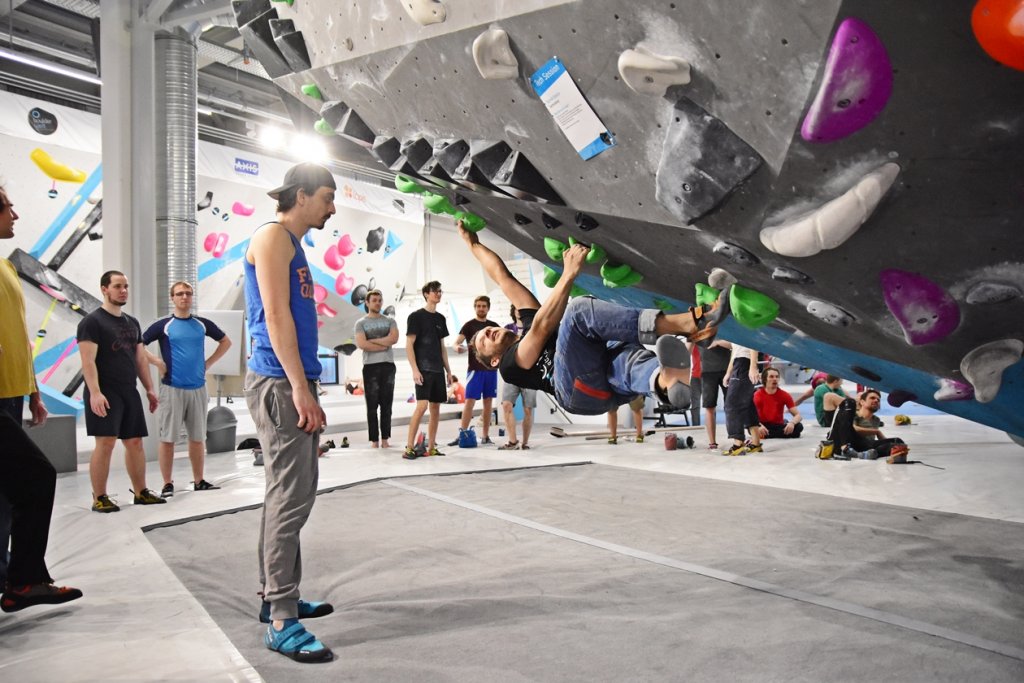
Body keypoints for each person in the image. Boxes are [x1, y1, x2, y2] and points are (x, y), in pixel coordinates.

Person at [458, 221, 728, 417]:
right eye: (484, 340)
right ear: (493, 359)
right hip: (576, 393)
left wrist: (472, 244)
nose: (488, 332)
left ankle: (664, 383)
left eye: (487, 330)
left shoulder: (526, 322)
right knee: (578, 312)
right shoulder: (508, 365)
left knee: (622, 357)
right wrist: (568, 274)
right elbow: (541, 328)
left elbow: (502, 277)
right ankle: (688, 324)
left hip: (603, 386)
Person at [245, 162, 337, 663]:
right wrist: (300, 388)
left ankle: (276, 595)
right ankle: (282, 618)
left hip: (288, 380)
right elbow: (276, 317)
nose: (332, 206)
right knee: (291, 495)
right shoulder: (275, 236)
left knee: (288, 493)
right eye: (326, 196)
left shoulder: (289, 243)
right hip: (281, 382)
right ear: (300, 196)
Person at [0, 183, 82, 611]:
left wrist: (33, 393)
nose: (15, 215)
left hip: (12, 395)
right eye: (8, 207)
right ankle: (25, 580)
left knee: (12, 491)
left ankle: (17, 580)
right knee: (37, 477)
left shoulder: (7, 270)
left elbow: (18, 337)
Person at [78, 270, 165, 511]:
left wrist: (148, 389)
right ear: (104, 289)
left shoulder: (132, 322)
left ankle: (141, 492)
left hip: (129, 391)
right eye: (117, 286)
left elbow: (139, 359)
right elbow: (88, 362)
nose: (123, 290)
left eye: (125, 286)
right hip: (105, 392)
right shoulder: (92, 322)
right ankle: (100, 497)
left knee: (135, 442)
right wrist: (95, 393)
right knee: (105, 443)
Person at [143, 281, 231, 497]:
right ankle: (167, 483)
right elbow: (138, 344)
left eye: (188, 294)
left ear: (192, 298)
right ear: (172, 298)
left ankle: (199, 479)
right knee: (168, 438)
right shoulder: (164, 325)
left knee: (197, 437)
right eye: (180, 294)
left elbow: (226, 342)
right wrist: (157, 362)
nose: (184, 297)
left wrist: (208, 363)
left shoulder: (202, 324)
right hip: (172, 388)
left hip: (198, 389)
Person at [403, 281, 452, 459]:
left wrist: (448, 371)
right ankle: (409, 447)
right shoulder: (416, 317)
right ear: (426, 294)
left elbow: (442, 347)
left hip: (438, 370)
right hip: (423, 369)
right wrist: (415, 370)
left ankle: (431, 447)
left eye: (440, 291)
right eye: (434, 291)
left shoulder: (440, 319)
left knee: (436, 408)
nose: (438, 294)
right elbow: (409, 345)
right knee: (421, 406)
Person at [451, 295, 499, 446]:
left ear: (488, 308)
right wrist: (457, 347)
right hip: (475, 370)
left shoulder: (494, 326)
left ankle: (485, 436)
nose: (481, 308)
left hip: (491, 370)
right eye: (478, 306)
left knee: (488, 402)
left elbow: (502, 345)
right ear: (475, 308)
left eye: (484, 306)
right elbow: (456, 343)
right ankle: (462, 434)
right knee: (469, 402)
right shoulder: (468, 325)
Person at [353, 288, 398, 448]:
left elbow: (394, 339)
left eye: (380, 300)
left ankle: (385, 439)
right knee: (371, 405)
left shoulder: (390, 321)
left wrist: (372, 341)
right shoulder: (361, 323)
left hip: (388, 366)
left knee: (387, 404)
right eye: (374, 301)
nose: (377, 303)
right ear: (367, 302)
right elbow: (361, 344)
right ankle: (374, 440)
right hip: (370, 367)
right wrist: (382, 342)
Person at [829, 389, 908, 460]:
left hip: (861, 446)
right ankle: (845, 449)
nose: (876, 400)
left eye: (878, 399)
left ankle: (863, 455)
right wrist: (876, 431)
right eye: (872, 398)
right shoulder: (851, 414)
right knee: (850, 401)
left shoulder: (876, 420)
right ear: (862, 402)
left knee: (898, 442)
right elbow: (851, 429)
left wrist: (890, 444)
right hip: (842, 441)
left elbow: (872, 442)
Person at [498, 306, 536, 451]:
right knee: (506, 405)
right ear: (513, 311)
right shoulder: (507, 330)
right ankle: (512, 441)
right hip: (511, 374)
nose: (519, 311)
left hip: (529, 373)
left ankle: (525, 442)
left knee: (528, 409)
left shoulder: (531, 328)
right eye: (516, 308)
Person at [721, 344, 763, 455]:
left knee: (732, 405)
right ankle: (756, 443)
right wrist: (728, 373)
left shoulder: (742, 326)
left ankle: (738, 445)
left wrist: (753, 366)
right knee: (748, 404)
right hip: (738, 363)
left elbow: (752, 342)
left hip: (745, 362)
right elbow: (734, 352)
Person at [752, 366, 803, 439]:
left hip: (778, 425)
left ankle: (768, 434)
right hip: (762, 424)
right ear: (765, 379)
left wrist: (792, 423)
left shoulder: (784, 395)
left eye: (777, 377)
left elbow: (798, 415)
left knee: (799, 426)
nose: (775, 379)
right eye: (771, 377)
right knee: (751, 428)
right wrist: (759, 425)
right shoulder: (757, 395)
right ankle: (777, 434)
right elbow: (750, 415)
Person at [698, 340, 732, 449]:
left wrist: (718, 343)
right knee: (709, 406)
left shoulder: (724, 326)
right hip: (707, 372)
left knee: (732, 406)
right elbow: (688, 346)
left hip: (726, 370)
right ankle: (712, 442)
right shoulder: (697, 328)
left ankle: (737, 439)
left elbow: (733, 345)